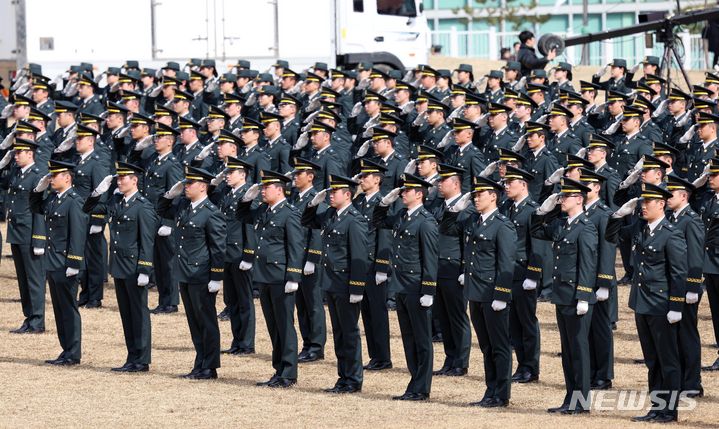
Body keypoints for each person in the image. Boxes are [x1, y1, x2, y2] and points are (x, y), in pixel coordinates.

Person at [606, 183, 687, 423]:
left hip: (662, 305)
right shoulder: (641, 229)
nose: (642, 207)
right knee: (653, 360)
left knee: (668, 361)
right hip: (642, 303)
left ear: (661, 204)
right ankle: (656, 406)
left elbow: (678, 273)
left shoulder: (671, 234)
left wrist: (675, 306)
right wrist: (619, 214)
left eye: (647, 203)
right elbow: (611, 236)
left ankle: (669, 411)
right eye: (641, 203)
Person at [441, 176, 517, 407]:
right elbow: (447, 228)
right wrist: (454, 210)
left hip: (493, 293)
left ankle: (501, 394)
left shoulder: (502, 225)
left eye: (479, 195)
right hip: (475, 292)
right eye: (474, 195)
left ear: (493, 196)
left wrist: (502, 295)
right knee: (485, 346)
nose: (475, 198)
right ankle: (490, 389)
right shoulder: (475, 221)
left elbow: (506, 263)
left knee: (499, 346)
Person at [531, 178, 598, 415]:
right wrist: (542, 210)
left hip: (575, 297)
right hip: (562, 296)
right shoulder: (563, 224)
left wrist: (583, 295)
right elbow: (536, 230)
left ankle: (581, 401)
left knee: (579, 350)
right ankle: (570, 397)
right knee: (568, 351)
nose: (561, 200)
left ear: (579, 199)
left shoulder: (586, 227)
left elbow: (588, 264)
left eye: (565, 197)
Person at [83, 162, 157, 373]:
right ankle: (131, 356)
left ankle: (141, 359)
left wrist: (145, 269)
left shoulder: (143, 206)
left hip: (134, 268)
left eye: (123, 177)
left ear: (134, 180)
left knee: (139, 314)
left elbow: (147, 241)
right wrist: (98, 191)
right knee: (127, 314)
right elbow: (88, 208)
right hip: (119, 266)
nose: (119, 181)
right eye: (118, 177)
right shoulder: (117, 201)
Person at [373, 174, 439, 401]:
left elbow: (430, 258)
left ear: (419, 194)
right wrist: (383, 203)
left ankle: (422, 388)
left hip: (416, 287)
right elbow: (378, 221)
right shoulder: (402, 215)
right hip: (401, 285)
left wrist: (429, 290)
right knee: (408, 338)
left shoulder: (426, 221)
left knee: (421, 340)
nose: (402, 194)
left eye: (406, 191)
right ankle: (414, 383)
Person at [236, 170, 304, 388]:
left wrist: (293, 275)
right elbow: (242, 216)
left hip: (281, 277)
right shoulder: (265, 210)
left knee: (285, 326)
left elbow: (295, 246)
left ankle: (288, 372)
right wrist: (246, 199)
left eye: (267, 188)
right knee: (273, 326)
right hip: (264, 276)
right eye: (262, 187)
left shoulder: (289, 213)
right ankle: (278, 369)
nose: (263, 191)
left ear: (280, 189)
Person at [157, 166, 227, 380]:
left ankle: (210, 366)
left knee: (206, 321)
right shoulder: (185, 207)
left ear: (203, 187)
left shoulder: (211, 212)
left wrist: (216, 277)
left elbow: (218, 247)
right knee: (194, 322)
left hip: (202, 275)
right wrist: (170, 194)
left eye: (190, 184)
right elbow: (161, 209)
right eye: (186, 183)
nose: (186, 187)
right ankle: (200, 362)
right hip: (186, 273)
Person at [302, 175, 369, 394]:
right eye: (330, 192)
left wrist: (357, 288)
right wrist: (312, 204)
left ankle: (353, 379)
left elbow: (359, 255)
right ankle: (343, 377)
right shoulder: (332, 215)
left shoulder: (354, 219)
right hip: (331, 282)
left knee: (349, 333)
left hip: (346, 284)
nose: (331, 195)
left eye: (335, 192)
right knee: (339, 334)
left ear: (347, 194)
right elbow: (307, 221)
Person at [30, 160, 89, 366]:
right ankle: (66, 350)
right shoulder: (54, 199)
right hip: (53, 262)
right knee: (59, 309)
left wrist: (74, 262)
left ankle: (73, 352)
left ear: (67, 177)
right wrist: (40, 188)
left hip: (66, 264)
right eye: (51, 175)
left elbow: (78, 234)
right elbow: (36, 206)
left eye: (55, 176)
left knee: (68, 309)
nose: (52, 178)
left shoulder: (74, 201)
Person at [3, 139, 47, 334]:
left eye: (20, 152)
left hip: (30, 234)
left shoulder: (37, 176)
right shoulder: (16, 172)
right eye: (15, 152)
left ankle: (37, 320)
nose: (16, 155)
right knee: (22, 279)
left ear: (30, 154)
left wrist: (39, 238)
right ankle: (29, 317)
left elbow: (39, 211)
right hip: (16, 232)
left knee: (34, 279)